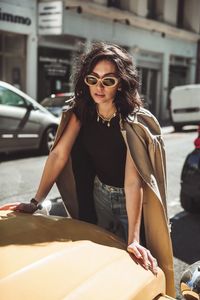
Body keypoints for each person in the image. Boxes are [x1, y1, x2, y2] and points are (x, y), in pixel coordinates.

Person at [14, 42, 175, 296]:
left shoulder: (130, 120)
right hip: (99, 194)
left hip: (129, 200)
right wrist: (36, 201)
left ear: (120, 83)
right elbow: (58, 154)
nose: (98, 87)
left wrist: (134, 238)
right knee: (97, 259)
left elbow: (134, 182)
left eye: (108, 81)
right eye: (93, 79)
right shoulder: (81, 110)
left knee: (135, 262)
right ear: (85, 80)